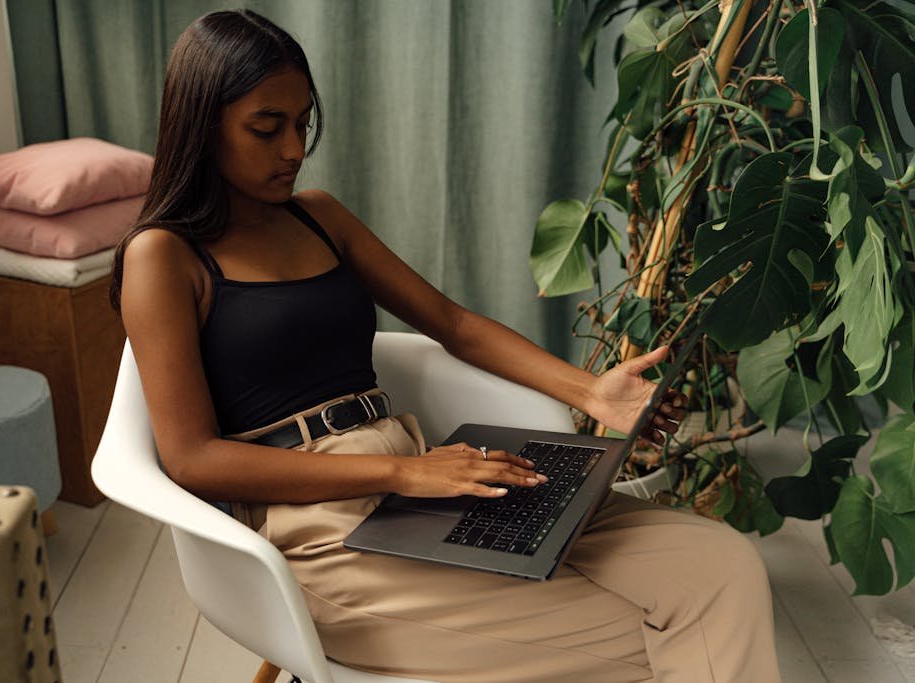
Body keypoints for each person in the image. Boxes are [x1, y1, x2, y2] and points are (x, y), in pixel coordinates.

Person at [112, 9, 780, 683]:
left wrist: (591, 393)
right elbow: (193, 458)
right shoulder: (163, 257)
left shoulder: (320, 217)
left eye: (302, 123)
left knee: (722, 565)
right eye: (266, 127)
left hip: (421, 479)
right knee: (658, 633)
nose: (293, 149)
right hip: (316, 532)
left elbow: (452, 323)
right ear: (203, 123)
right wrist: (400, 474)